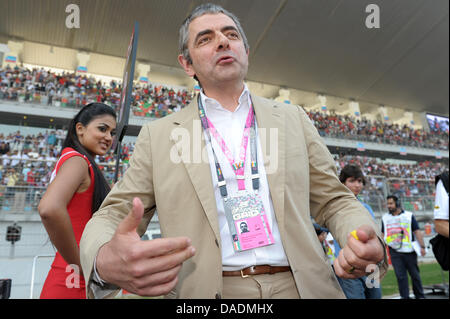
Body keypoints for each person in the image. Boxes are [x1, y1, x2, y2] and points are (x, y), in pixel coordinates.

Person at [80, 3, 387, 299]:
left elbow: (335, 200)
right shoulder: (158, 136)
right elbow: (113, 214)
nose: (223, 41)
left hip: (303, 286)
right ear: (187, 64)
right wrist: (104, 257)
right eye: (205, 39)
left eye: (232, 34)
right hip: (208, 291)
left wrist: (361, 233)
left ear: (246, 52)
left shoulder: (294, 119)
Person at [38, 103, 117, 299]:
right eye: (102, 129)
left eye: (112, 132)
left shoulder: (80, 162)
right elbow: (49, 208)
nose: (109, 137)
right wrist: (81, 266)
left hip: (73, 275)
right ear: (80, 129)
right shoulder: (78, 162)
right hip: (73, 279)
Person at [333, 164, 382, 299]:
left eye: (360, 181)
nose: (357, 185)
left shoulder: (366, 207)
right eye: (352, 181)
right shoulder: (334, 208)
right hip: (349, 267)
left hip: (370, 267)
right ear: (342, 183)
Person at [381, 195, 426, 299]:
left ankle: (420, 296)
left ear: (397, 203)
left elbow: (417, 231)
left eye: (391, 203)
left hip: (409, 251)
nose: (389, 206)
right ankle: (404, 297)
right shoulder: (385, 218)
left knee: (415, 276)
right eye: (387, 204)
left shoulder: (409, 216)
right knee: (401, 277)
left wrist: (422, 246)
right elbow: (383, 234)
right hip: (394, 252)